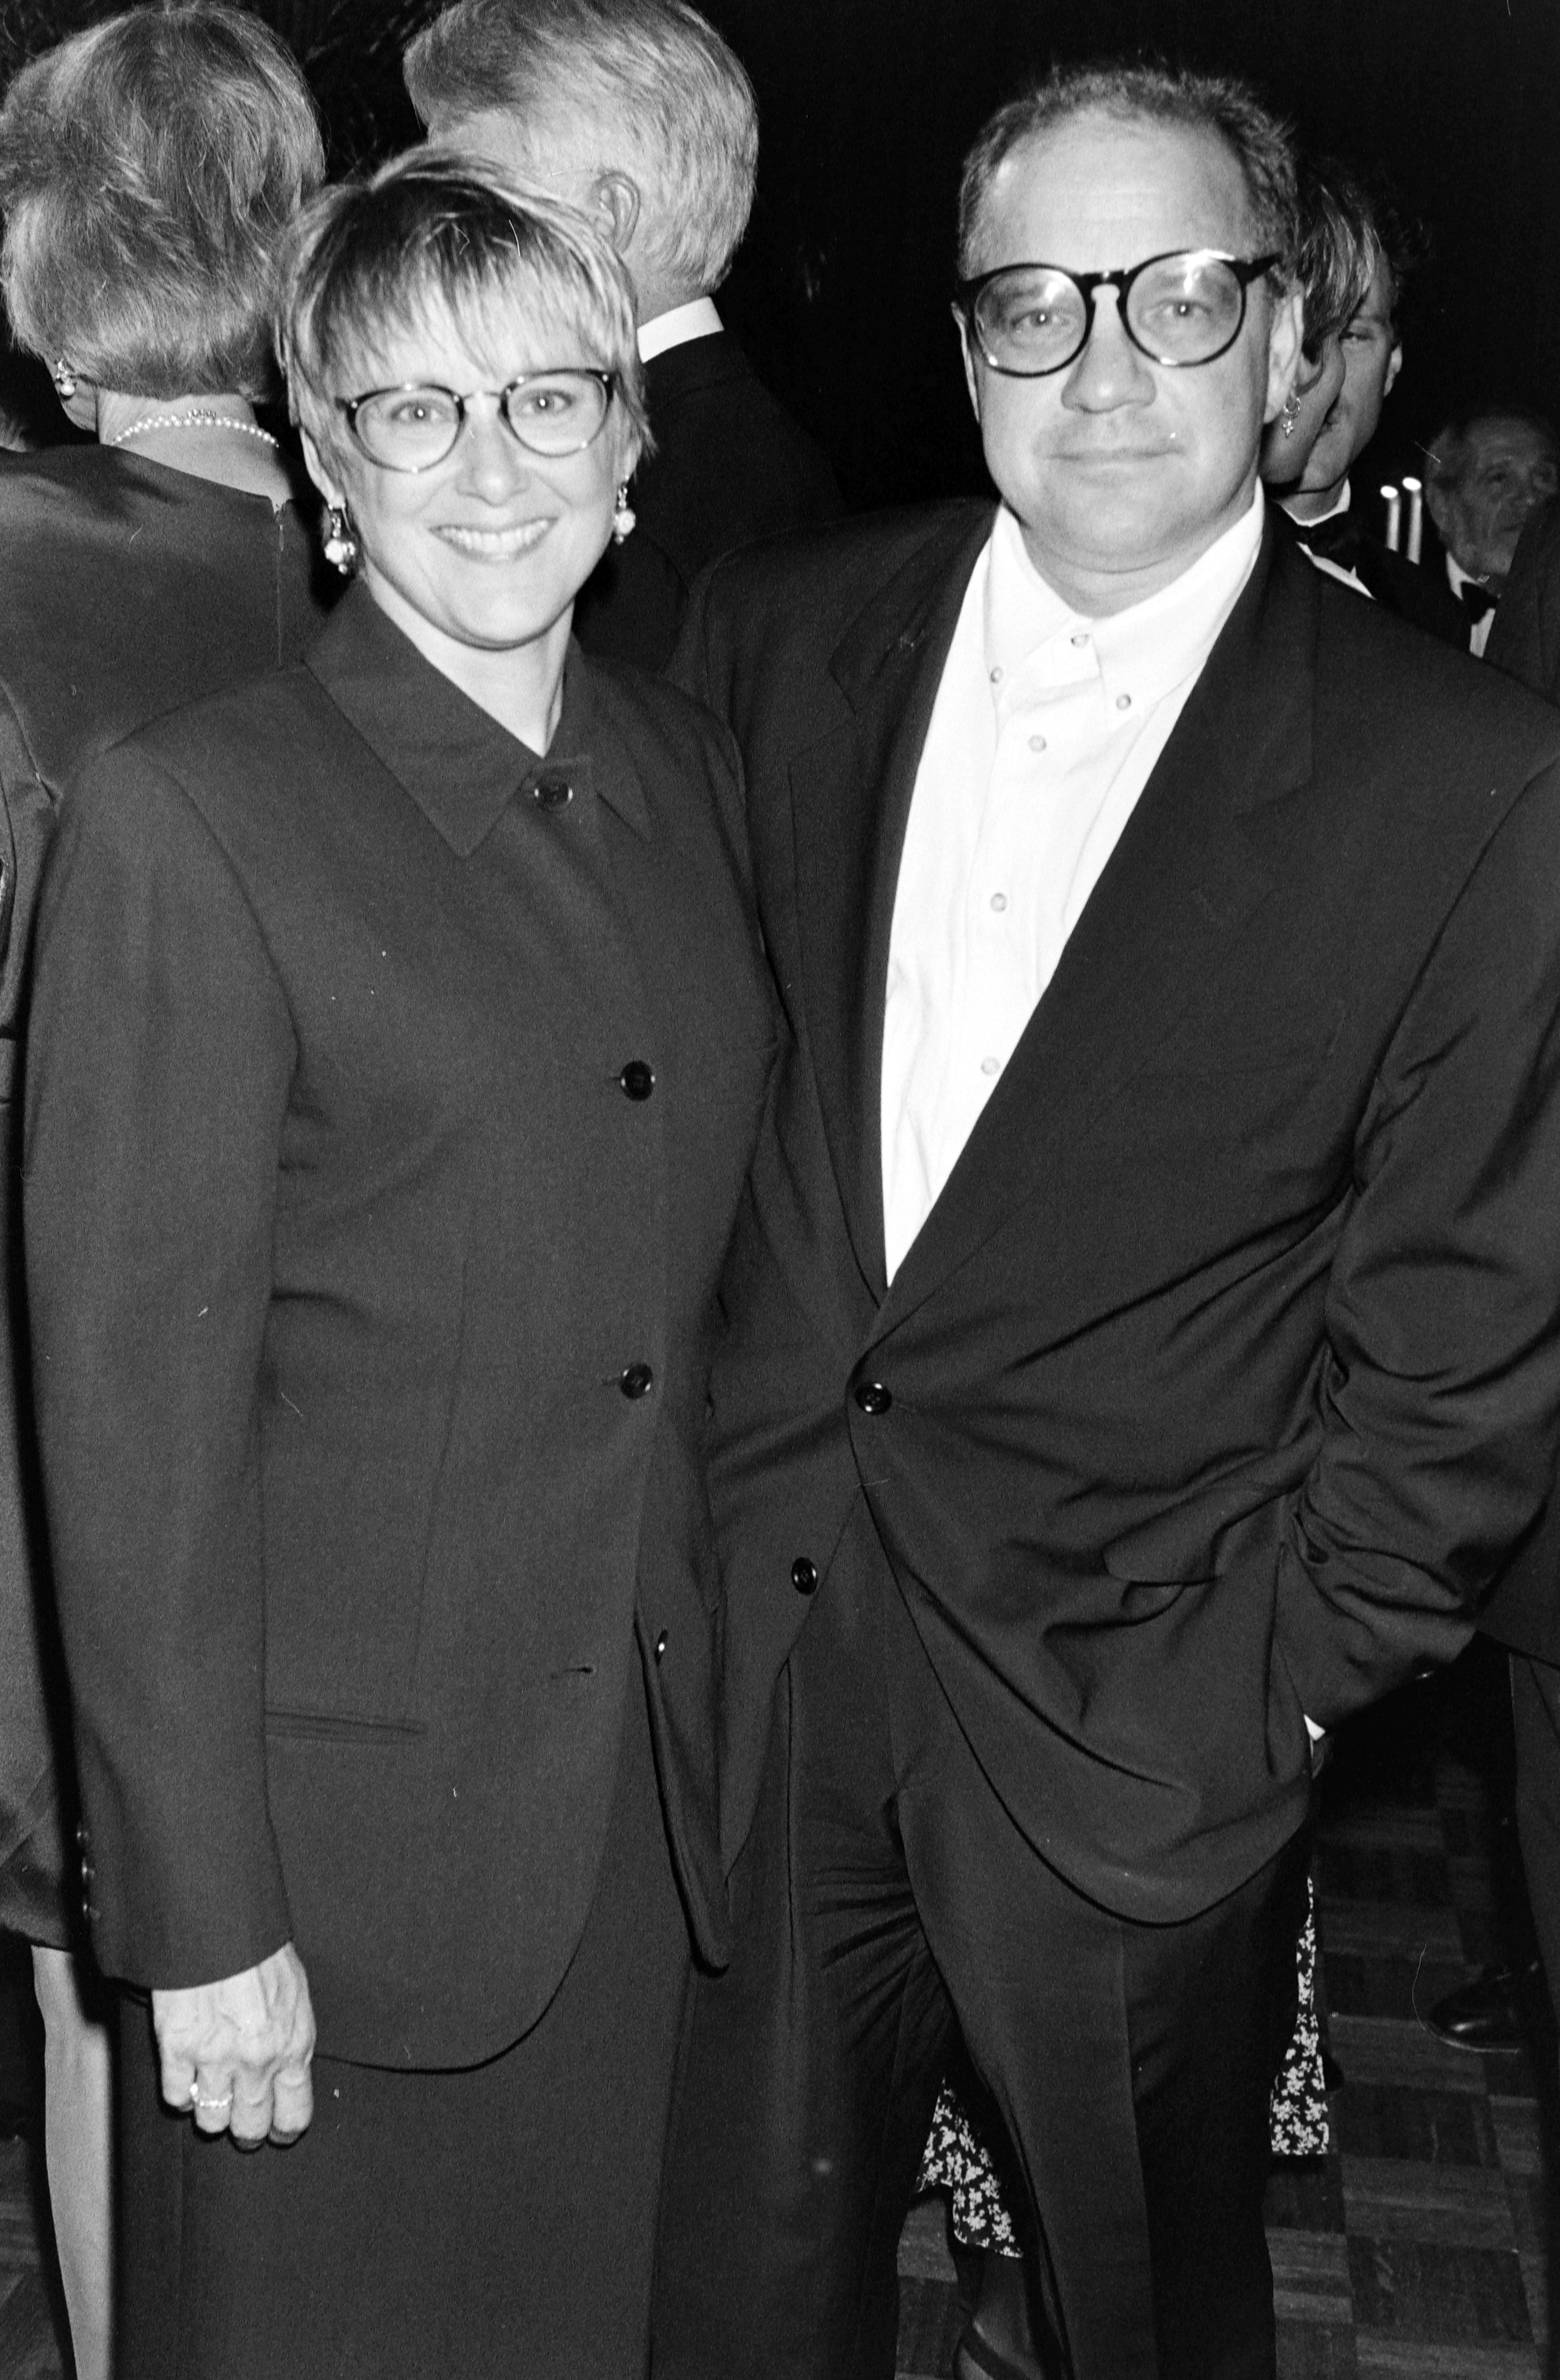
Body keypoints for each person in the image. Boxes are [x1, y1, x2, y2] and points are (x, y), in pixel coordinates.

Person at [648, 59, 1560, 2380]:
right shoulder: (775, 639)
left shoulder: (1465, 779)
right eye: (1037, 304)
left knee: (1144, 2323)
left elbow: (1467, 1334)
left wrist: (1271, 1686)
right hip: (771, 1673)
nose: (1108, 365)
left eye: (1178, 296)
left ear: (1286, 336)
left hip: (1138, 1730)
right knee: (729, 2312)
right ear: (967, 351)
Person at [23, 151, 777, 2380]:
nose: (491, 464)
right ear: (327, 468)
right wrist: (199, 1918)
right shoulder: (195, 814)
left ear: (627, 446)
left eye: (545, 399)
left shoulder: (693, 776)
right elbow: (130, 1427)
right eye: (413, 411)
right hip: (329, 1881)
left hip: (638, 1837)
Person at [0, 12, 330, 2374]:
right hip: (348, 1382)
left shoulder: (19, 562)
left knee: (106, 1975)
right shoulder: (421, 544)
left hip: (60, 1379)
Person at [403, 0, 842, 668]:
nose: (436, 241)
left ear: (604, 218)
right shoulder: (758, 451)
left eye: (472, 204)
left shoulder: (637, 512)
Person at [1268, 159, 1464, 644]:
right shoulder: (1170, 573)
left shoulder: (1432, 621)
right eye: (1303, 332)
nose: (1318, 369)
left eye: (1352, 335)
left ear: (1392, 365)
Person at [1424, 406, 1559, 655]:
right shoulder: (1400, 605)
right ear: (1442, 506)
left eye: (1543, 476)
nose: (1530, 499)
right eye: (1499, 478)